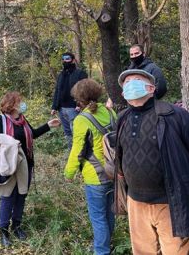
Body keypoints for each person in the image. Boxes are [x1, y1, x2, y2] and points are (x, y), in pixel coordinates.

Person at [116, 69, 189, 254]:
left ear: (151, 88)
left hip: (171, 202)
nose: (130, 84)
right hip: (136, 203)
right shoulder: (122, 118)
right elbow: (119, 153)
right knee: (142, 251)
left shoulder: (175, 115)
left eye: (136, 80)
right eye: (126, 83)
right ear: (123, 94)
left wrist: (183, 176)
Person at [0, 91, 60, 247]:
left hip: (25, 164)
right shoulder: (0, 120)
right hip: (8, 165)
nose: (22, 104)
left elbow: (33, 134)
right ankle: (3, 230)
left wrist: (48, 125)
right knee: (8, 196)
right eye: (19, 101)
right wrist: (12, 144)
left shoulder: (22, 120)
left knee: (21, 195)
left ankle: (17, 226)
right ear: (11, 103)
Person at [64, 79, 116, 255]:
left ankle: (101, 251)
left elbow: (77, 150)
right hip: (114, 171)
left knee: (98, 217)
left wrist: (69, 173)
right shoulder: (109, 112)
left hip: (95, 175)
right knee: (109, 214)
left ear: (79, 98)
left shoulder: (82, 120)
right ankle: (107, 245)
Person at [51, 52, 88, 149]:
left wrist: (79, 104)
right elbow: (57, 90)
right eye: (63, 59)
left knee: (77, 133)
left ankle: (81, 155)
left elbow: (84, 90)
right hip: (62, 109)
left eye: (67, 58)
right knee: (68, 134)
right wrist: (54, 107)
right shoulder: (61, 75)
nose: (65, 60)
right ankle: (72, 154)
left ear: (73, 60)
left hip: (74, 109)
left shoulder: (80, 73)